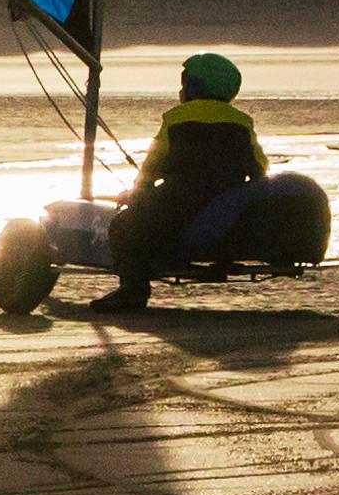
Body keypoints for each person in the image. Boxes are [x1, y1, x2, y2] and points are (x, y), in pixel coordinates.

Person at [98, 52, 267, 312]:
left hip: (178, 200)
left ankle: (133, 288)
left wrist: (139, 192)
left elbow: (154, 163)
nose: (181, 89)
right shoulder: (242, 122)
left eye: (185, 82)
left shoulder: (176, 118)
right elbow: (259, 166)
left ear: (195, 86)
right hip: (226, 202)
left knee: (123, 226)